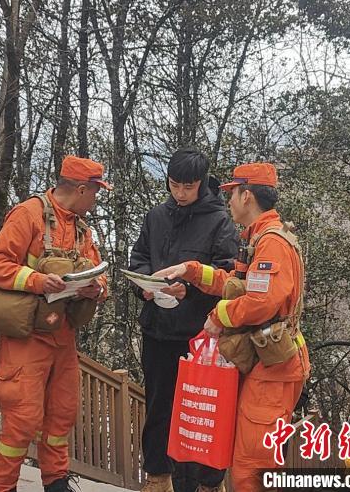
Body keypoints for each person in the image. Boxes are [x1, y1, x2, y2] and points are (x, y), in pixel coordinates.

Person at [155, 163, 309, 492]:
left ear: (247, 196)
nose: (229, 201)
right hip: (265, 364)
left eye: (233, 194)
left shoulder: (271, 243)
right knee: (250, 463)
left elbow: (261, 301)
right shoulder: (258, 238)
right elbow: (234, 283)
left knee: (252, 467)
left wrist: (218, 316)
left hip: (274, 369)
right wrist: (191, 270)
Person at [0, 156, 110, 492]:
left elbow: (100, 274)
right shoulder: (28, 214)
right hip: (27, 338)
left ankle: (56, 482)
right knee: (22, 420)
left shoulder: (82, 229)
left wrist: (96, 288)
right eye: (95, 191)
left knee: (61, 415)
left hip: (63, 336)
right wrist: (38, 281)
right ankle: (4, 487)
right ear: (81, 189)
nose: (96, 198)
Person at [129, 149, 238, 492]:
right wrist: (144, 285)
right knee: (159, 408)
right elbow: (139, 257)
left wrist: (187, 290)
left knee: (203, 412)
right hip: (158, 329)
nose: (179, 193)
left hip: (201, 336)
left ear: (202, 184)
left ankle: (207, 483)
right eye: (174, 185)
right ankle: (157, 478)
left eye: (187, 187)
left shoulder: (220, 221)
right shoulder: (156, 216)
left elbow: (229, 278)